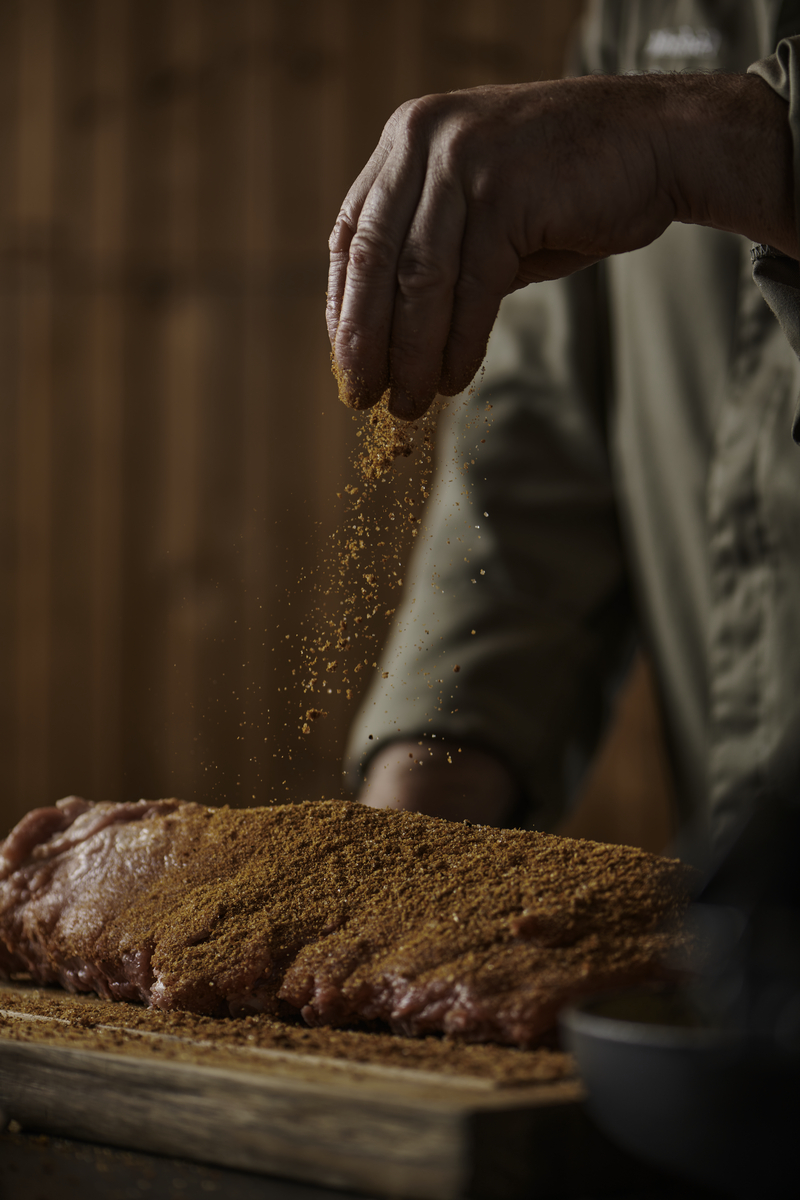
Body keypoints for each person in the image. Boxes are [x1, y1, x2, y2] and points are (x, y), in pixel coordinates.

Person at [329, 0, 800, 866]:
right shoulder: (645, 15)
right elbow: (542, 445)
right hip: (751, 939)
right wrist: (419, 820)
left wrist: (710, 141)